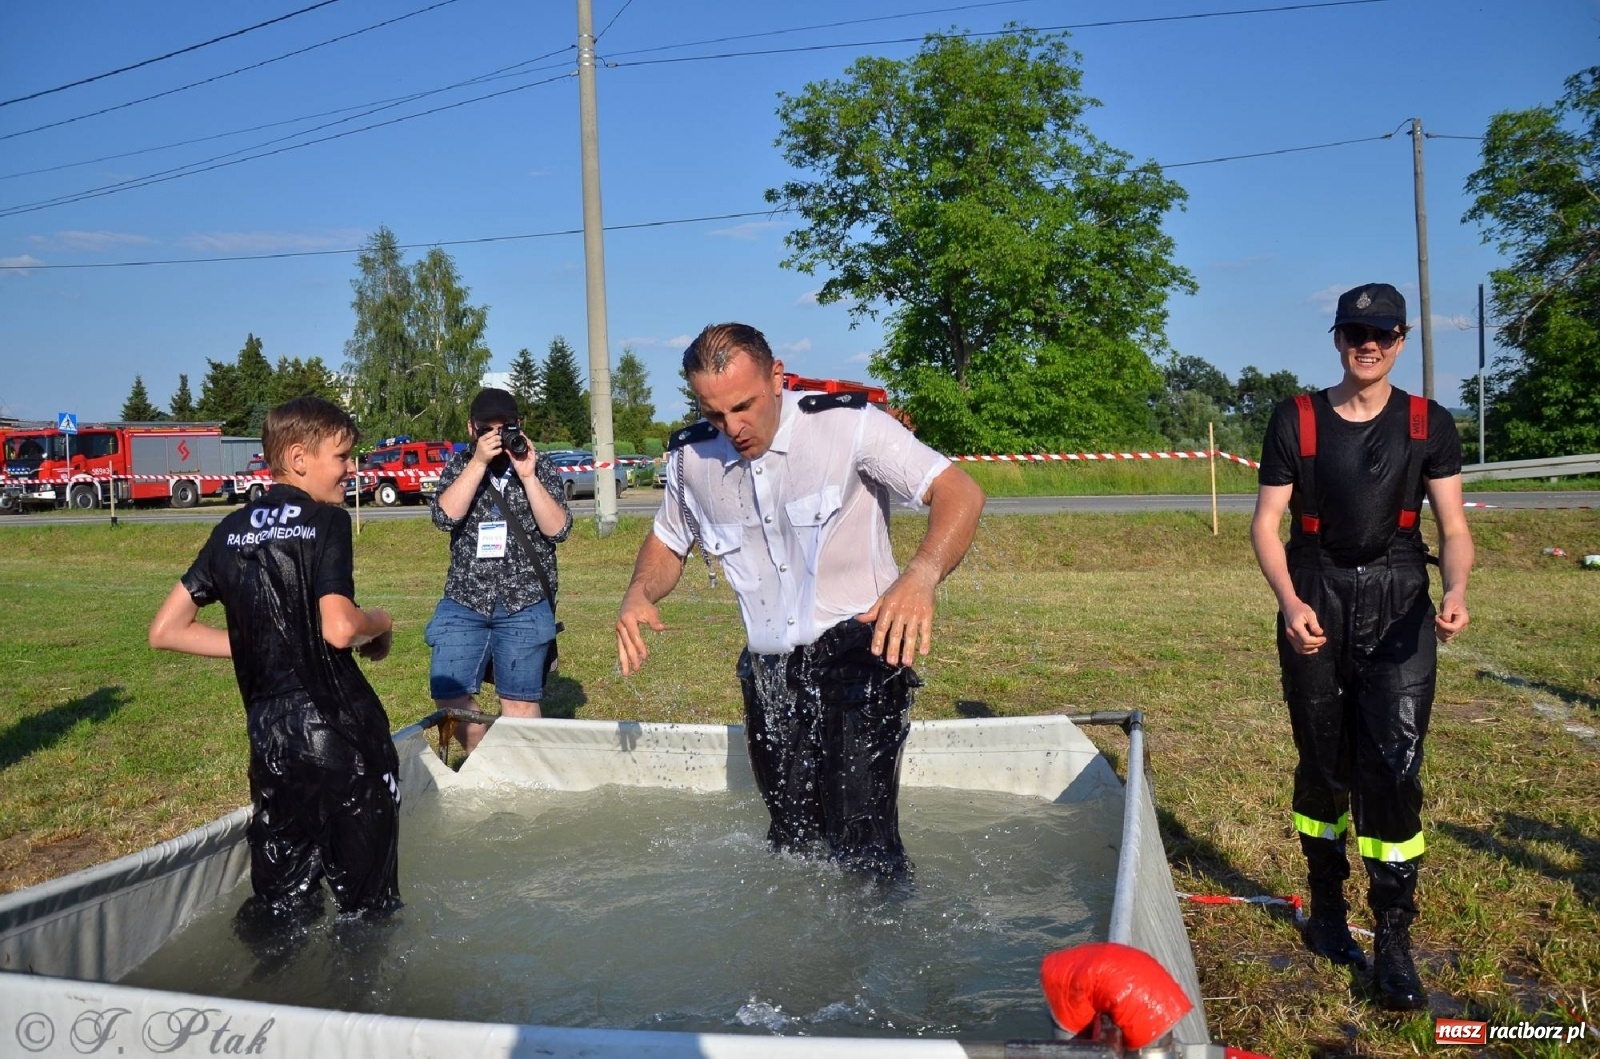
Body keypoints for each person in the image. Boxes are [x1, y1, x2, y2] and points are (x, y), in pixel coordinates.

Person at [615, 323, 986, 881]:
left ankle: (887, 929)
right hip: (769, 672)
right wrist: (639, 592)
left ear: (777, 377)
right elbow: (668, 542)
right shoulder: (691, 459)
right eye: (714, 414)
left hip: (861, 651)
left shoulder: (849, 426)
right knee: (792, 844)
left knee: (863, 847)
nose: (733, 428)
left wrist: (921, 576)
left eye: (744, 406)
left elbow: (959, 491)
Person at [1250, 282, 1474, 1011]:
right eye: (1354, 333)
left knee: (1394, 766)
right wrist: (1291, 602)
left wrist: (1456, 590)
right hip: (1316, 591)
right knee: (1322, 763)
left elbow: (1454, 528)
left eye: (1381, 334)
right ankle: (1326, 908)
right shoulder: (1296, 418)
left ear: (1401, 340)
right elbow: (1266, 523)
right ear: (1338, 339)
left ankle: (1394, 938)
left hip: (1400, 598)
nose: (1367, 345)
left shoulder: (1428, 422)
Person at [149, 396, 401, 925]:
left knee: (282, 909)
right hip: (343, 733)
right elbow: (339, 627)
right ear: (298, 457)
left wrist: (260, 640)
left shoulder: (228, 531)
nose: (351, 469)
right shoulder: (327, 521)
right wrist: (380, 622)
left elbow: (166, 630)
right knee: (366, 912)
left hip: (272, 742)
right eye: (342, 456)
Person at [427, 387, 571, 753]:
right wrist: (477, 464)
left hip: (524, 599)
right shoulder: (459, 465)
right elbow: (444, 518)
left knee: (519, 703)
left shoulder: (540, 465)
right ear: (471, 429)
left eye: (504, 427)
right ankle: (488, 761)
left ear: (519, 425)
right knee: (448, 694)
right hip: (466, 597)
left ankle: (521, 774)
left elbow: (558, 529)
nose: (496, 436)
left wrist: (529, 476)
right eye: (486, 429)